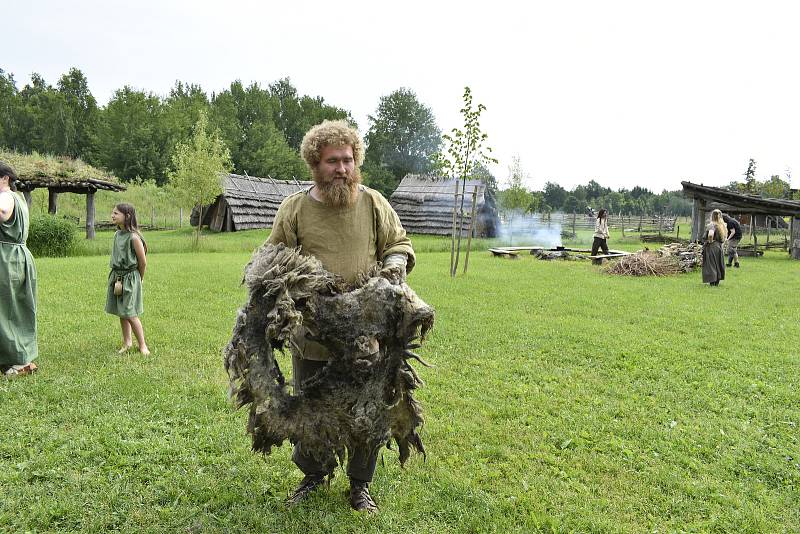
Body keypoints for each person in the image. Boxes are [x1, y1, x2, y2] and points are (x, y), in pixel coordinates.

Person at [267, 119, 414, 512]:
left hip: (367, 335)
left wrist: (393, 270)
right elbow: (272, 257)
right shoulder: (294, 208)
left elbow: (398, 243)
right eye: (333, 161)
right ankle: (314, 474)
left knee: (367, 408)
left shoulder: (373, 202)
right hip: (312, 336)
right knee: (311, 408)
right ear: (315, 163)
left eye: (348, 160)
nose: (342, 169)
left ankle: (360, 484)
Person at [0, 162, 38, 377]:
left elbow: (3, 213)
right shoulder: (20, 198)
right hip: (18, 255)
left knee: (6, 309)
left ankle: (19, 361)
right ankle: (14, 357)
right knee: (15, 308)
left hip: (6, 258)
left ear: (5, 178)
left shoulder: (5, 195)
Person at [105, 203, 150, 355]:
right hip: (117, 276)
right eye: (113, 213)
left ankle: (143, 345)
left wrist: (140, 279)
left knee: (130, 312)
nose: (112, 215)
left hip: (131, 277)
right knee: (121, 311)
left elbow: (142, 262)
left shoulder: (134, 237)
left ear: (127, 216)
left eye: (116, 213)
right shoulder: (117, 235)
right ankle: (127, 342)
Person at [702, 209, 727, 286]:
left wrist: (710, 241)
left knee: (711, 264)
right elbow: (724, 238)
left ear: (712, 216)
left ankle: (712, 281)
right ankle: (717, 281)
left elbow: (710, 234)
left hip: (712, 246)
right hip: (719, 246)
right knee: (718, 264)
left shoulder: (712, 225)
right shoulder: (722, 225)